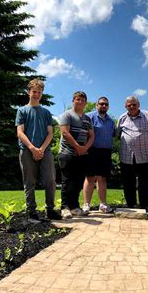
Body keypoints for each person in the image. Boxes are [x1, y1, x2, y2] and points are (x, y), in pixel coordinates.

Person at [15, 79, 61, 221]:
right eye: (34, 91)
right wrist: (32, 148)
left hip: (44, 151)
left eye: (39, 92)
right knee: (29, 182)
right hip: (27, 150)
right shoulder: (22, 111)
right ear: (29, 92)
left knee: (50, 180)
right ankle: (31, 211)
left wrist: (41, 149)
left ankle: (50, 209)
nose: (36, 94)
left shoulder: (46, 113)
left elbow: (50, 133)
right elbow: (20, 132)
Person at [58, 91, 94, 219]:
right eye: (77, 99)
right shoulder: (66, 115)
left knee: (78, 182)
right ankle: (64, 207)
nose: (80, 102)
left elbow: (91, 135)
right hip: (67, 154)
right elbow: (65, 133)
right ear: (73, 100)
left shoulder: (87, 118)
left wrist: (85, 148)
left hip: (82, 155)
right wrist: (77, 147)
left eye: (82, 100)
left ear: (85, 102)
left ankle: (74, 207)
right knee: (67, 181)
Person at [117, 95, 148, 211]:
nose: (132, 106)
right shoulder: (122, 118)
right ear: (125, 106)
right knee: (128, 182)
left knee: (145, 182)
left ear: (138, 105)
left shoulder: (147, 115)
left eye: (134, 104)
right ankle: (130, 204)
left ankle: (146, 204)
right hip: (126, 155)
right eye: (129, 105)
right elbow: (118, 133)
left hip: (145, 155)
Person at [82, 96, 116, 213]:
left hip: (106, 152)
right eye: (101, 104)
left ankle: (103, 204)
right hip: (92, 151)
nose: (104, 106)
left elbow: (113, 135)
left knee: (102, 178)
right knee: (90, 177)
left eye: (106, 104)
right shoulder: (89, 117)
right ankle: (86, 204)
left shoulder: (111, 121)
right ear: (97, 105)